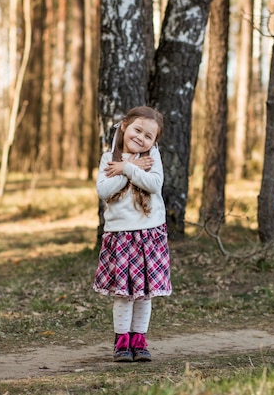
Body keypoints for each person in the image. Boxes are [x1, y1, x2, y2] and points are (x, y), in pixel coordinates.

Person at [93, 106, 172, 362]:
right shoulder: (108, 159)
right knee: (124, 295)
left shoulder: (153, 159)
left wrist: (127, 168)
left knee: (145, 294)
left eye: (148, 136)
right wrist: (130, 165)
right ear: (124, 126)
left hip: (149, 235)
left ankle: (139, 340)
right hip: (121, 237)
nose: (141, 138)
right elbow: (104, 191)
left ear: (154, 142)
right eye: (137, 130)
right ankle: (122, 342)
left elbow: (154, 185)